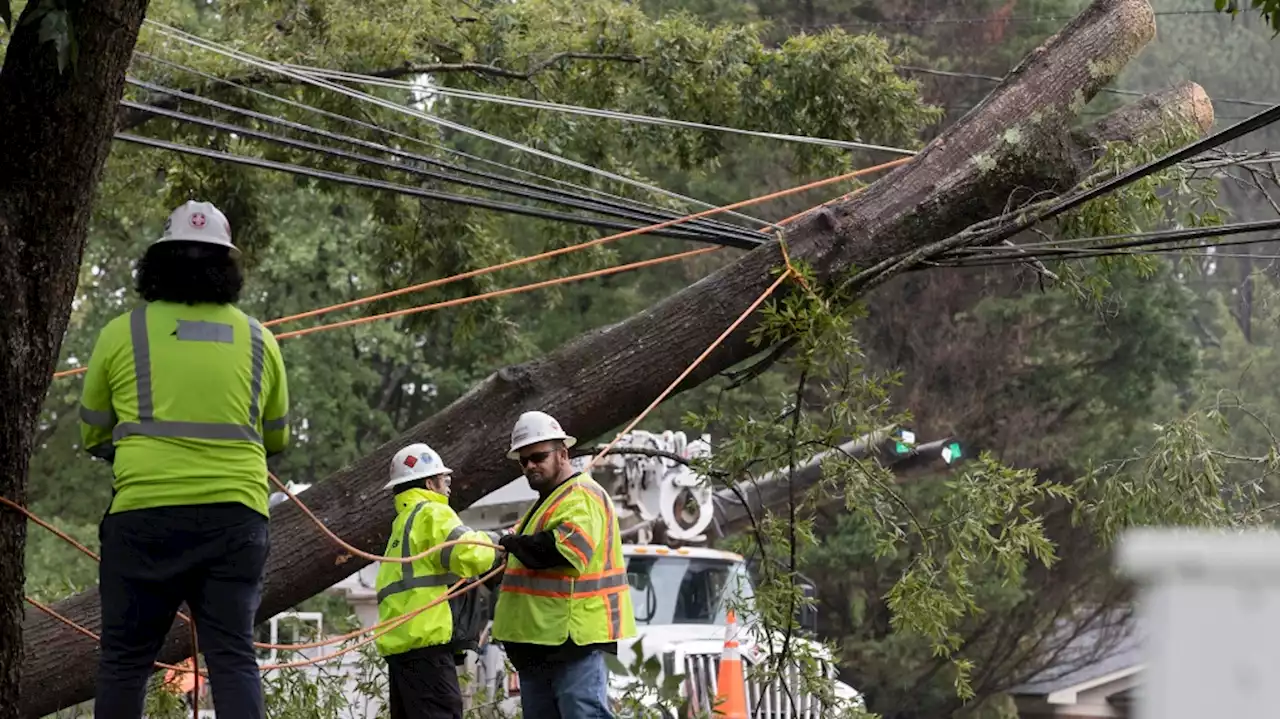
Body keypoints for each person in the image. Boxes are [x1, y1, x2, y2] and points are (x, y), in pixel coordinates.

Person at [80, 200, 290, 719]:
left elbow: (92, 431)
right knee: (234, 659)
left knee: (126, 662)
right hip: (237, 517)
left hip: (145, 516)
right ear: (227, 268)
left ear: (159, 263)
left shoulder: (121, 332)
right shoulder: (261, 340)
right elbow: (277, 437)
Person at [491, 411, 637, 719]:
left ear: (563, 453)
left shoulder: (582, 495)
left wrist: (512, 543)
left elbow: (563, 552)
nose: (531, 465)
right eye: (524, 460)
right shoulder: (547, 502)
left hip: (574, 639)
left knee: (582, 713)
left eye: (539, 456)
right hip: (539, 642)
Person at [375, 442, 502, 719]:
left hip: (402, 653)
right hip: (427, 649)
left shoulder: (401, 525)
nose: (449, 486)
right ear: (430, 482)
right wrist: (498, 541)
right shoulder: (432, 513)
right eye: (445, 479)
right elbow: (469, 553)